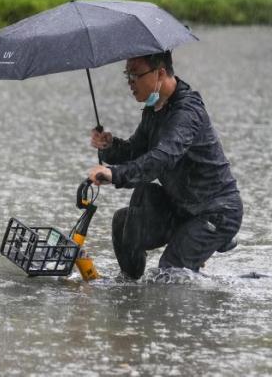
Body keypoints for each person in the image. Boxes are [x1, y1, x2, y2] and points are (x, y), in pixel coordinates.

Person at [88, 51, 242, 280]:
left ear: (160, 73)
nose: (130, 83)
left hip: (216, 211)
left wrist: (115, 174)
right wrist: (109, 146)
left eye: (136, 75)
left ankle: (202, 248)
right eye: (127, 76)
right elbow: (135, 150)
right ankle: (128, 288)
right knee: (124, 223)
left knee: (170, 270)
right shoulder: (155, 109)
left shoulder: (187, 112)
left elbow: (161, 159)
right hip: (182, 207)